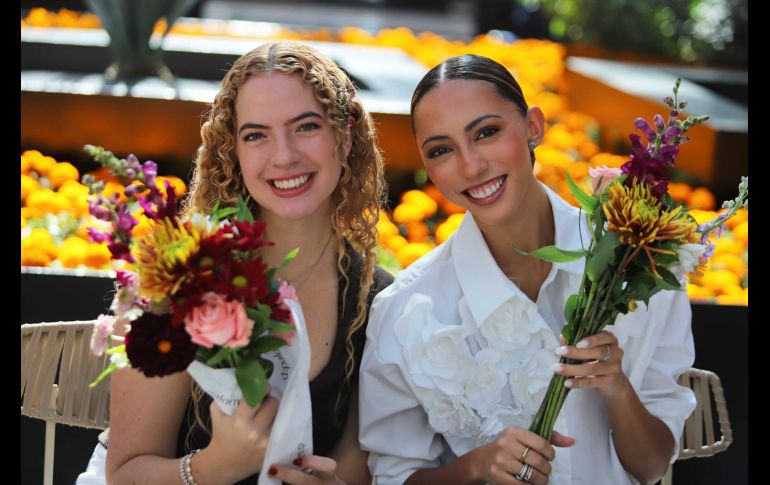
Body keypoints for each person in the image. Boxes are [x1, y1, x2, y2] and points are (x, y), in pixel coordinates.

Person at [358, 54, 696, 485]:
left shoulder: (642, 267)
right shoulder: (404, 311)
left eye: (487, 132)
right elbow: (392, 477)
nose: (471, 166)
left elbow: (652, 466)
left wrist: (616, 386)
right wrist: (477, 467)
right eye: (441, 150)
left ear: (533, 126)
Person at [92, 41, 392, 485]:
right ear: (233, 149)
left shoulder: (377, 298)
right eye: (256, 135)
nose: (284, 155)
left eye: (306, 126)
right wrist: (216, 467)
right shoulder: (180, 277)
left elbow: (356, 463)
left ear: (345, 136)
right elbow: (124, 474)